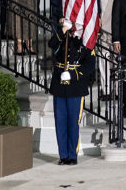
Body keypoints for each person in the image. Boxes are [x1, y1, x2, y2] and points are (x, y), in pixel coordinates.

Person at [49, 17, 95, 166]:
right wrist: (63, 30)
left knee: (73, 123)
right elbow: (52, 44)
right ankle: (63, 155)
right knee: (60, 122)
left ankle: (72, 155)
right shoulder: (62, 36)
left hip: (76, 86)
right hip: (59, 85)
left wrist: (74, 75)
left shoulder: (86, 40)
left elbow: (89, 65)